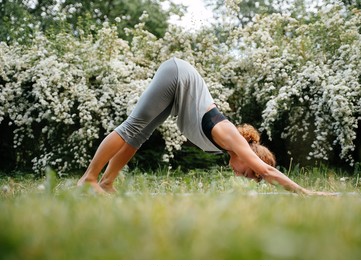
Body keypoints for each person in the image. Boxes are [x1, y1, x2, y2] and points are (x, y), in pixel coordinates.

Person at [78, 57, 330, 196]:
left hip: (179, 89)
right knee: (133, 127)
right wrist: (306, 193)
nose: (243, 175)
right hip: (177, 75)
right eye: (249, 172)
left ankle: (107, 183)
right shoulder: (228, 135)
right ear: (250, 156)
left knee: (139, 135)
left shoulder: (223, 147)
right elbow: (267, 171)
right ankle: (88, 178)